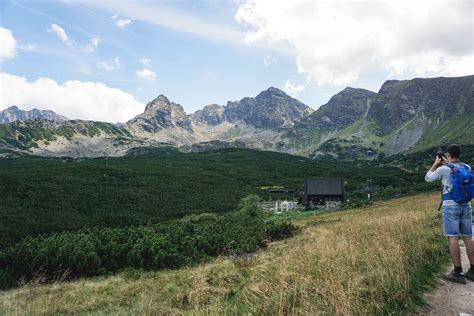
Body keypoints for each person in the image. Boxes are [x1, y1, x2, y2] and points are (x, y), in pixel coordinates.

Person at [425, 144, 474, 284]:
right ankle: (473, 270)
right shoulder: (466, 167)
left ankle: (458, 272)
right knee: (468, 237)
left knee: (452, 237)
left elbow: (428, 178)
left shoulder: (444, 169)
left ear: (448, 155)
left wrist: (435, 163)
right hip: (466, 205)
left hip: (451, 205)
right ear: (459, 155)